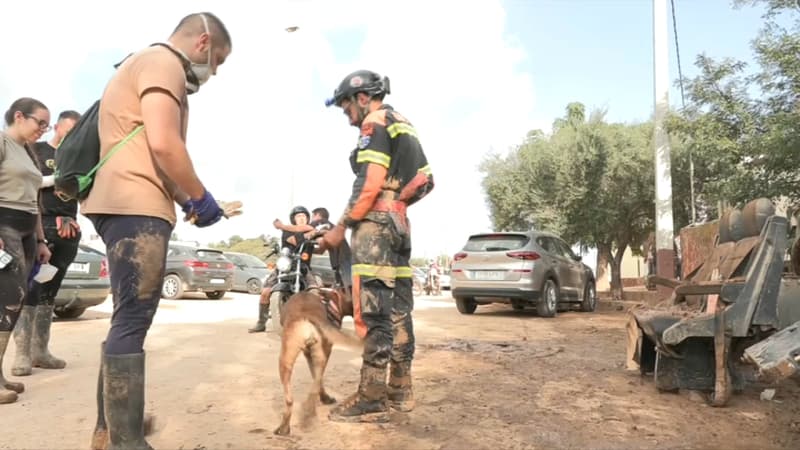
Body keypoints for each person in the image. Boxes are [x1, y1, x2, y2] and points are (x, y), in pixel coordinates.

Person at [79, 12, 232, 448]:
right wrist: (201, 196)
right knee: (132, 319)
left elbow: (148, 147)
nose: (213, 72)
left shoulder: (139, 63)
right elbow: (165, 142)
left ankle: (108, 432)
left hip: (122, 201)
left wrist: (187, 201)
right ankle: (126, 441)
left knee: (125, 318)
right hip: (135, 206)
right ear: (202, 42)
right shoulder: (163, 62)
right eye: (216, 61)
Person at [321, 70, 434, 422]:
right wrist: (396, 203)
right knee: (400, 310)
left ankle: (371, 395)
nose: (347, 115)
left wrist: (341, 227)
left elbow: (368, 184)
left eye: (346, 107)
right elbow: (426, 180)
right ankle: (401, 391)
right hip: (400, 224)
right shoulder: (404, 124)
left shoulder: (374, 123)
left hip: (375, 229)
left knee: (373, 313)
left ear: (362, 97)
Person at [12, 110, 80, 377]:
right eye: (70, 129)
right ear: (58, 126)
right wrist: (56, 180)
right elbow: (26, 183)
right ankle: (22, 355)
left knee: (51, 291)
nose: (73, 135)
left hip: (69, 228)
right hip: (41, 224)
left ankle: (41, 351)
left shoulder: (75, 157)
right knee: (31, 288)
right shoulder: (35, 149)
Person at [0, 97, 53, 405]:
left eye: (47, 125)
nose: (43, 130)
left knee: (17, 302)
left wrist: (42, 240)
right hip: (3, 224)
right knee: (9, 297)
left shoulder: (28, 154)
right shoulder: (3, 142)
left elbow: (35, 200)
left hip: (27, 229)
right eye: (40, 123)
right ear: (19, 116)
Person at [248, 206, 312, 333]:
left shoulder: (309, 229)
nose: (301, 218)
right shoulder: (288, 231)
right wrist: (306, 235)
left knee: (315, 290)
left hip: (303, 266)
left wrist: (282, 225)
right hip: (286, 265)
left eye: (304, 216)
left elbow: (313, 234)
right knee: (265, 292)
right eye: (298, 216)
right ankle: (261, 322)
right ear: (293, 219)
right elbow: (294, 241)